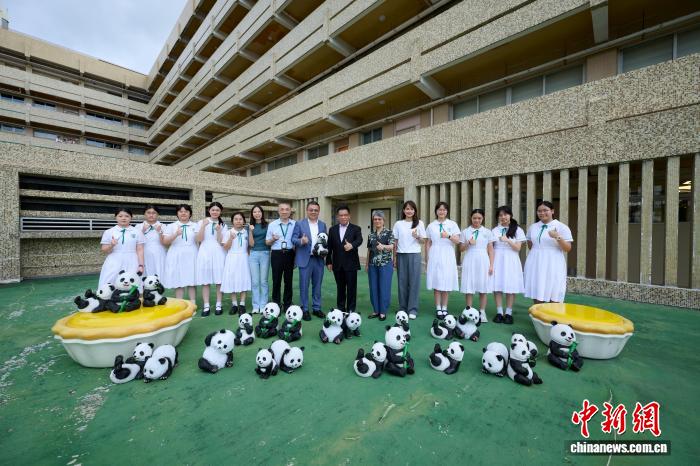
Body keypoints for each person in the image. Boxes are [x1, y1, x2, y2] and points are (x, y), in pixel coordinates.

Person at [524, 200, 574, 303]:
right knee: (537, 286)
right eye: (539, 211)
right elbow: (530, 244)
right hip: (535, 260)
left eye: (545, 210)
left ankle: (553, 312)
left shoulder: (561, 227)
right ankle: (538, 311)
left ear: (552, 211)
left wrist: (557, 237)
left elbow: (567, 248)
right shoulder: (533, 227)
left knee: (554, 286)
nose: (542, 213)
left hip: (553, 261)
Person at [292, 201, 327, 321]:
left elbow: (324, 240)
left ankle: (316, 308)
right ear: (307, 211)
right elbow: (293, 239)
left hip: (318, 259)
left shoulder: (322, 225)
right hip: (305, 259)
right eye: (311, 210)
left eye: (316, 210)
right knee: (304, 285)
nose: (313, 212)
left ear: (319, 211)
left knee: (317, 285)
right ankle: (305, 309)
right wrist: (301, 241)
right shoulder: (299, 224)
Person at [491, 206, 526, 324]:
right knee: (497, 286)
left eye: (505, 214)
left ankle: (509, 313)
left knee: (510, 287)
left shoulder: (518, 230)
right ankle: (499, 312)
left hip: (511, 259)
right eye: (500, 215)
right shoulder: (495, 230)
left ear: (510, 215)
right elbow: (491, 247)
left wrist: (508, 240)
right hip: (498, 259)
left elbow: (517, 248)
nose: (503, 217)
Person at [425, 202, 461, 319]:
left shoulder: (452, 224)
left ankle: (444, 307)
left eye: (444, 210)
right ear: (436, 211)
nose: (442, 212)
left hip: (447, 253)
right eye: (439, 209)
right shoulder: (431, 225)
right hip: (435, 253)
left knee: (446, 280)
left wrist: (448, 236)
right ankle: (438, 308)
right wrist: (427, 257)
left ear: (447, 211)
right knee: (437, 280)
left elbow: (457, 241)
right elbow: (428, 242)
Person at [392, 200, 427, 320]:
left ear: (415, 211)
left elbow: (423, 241)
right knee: (402, 282)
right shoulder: (398, 224)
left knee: (414, 282)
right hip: (401, 255)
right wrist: (394, 257)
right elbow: (395, 241)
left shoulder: (419, 223)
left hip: (414, 255)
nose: (409, 211)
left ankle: (412, 309)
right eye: (407, 209)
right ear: (403, 210)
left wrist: (417, 236)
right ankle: (402, 308)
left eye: (412, 209)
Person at [460, 208, 495, 323]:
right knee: (469, 286)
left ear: (483, 218)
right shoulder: (465, 231)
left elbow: (491, 250)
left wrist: (491, 265)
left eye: (479, 218)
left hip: (483, 260)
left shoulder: (487, 232)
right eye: (474, 218)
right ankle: (468, 310)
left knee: (483, 287)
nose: (477, 220)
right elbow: (461, 249)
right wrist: (468, 243)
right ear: (471, 218)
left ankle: (482, 312)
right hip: (470, 259)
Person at [326, 205, 363, 314]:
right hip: (337, 264)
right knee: (340, 288)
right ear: (337, 217)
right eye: (341, 215)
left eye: (345, 215)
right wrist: (328, 261)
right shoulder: (332, 229)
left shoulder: (356, 228)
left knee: (351, 288)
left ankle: (351, 310)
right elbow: (329, 246)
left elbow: (359, 240)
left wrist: (352, 245)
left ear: (349, 216)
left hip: (351, 264)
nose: (343, 217)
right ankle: (341, 309)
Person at [99, 207, 145, 287]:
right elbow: (103, 249)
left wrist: (141, 265)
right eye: (120, 216)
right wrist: (111, 245)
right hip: (114, 260)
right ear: (116, 217)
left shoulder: (137, 232)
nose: (123, 218)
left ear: (131, 217)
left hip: (132, 260)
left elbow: (140, 250)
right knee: (109, 282)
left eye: (127, 216)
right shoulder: (109, 232)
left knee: (132, 282)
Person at [195, 201, 227, 316]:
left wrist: (219, 231)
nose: (215, 212)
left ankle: (219, 304)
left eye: (217, 210)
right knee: (205, 281)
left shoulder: (223, 225)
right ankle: (206, 305)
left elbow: (221, 242)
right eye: (213, 210)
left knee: (219, 280)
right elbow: (199, 239)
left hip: (218, 253)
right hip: (205, 252)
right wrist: (203, 226)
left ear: (220, 212)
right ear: (209, 210)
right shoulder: (201, 222)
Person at [162, 204, 199, 301]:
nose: (183, 213)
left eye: (186, 211)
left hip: (192, 254)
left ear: (190, 213)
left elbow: (199, 240)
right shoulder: (171, 226)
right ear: (177, 213)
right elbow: (165, 242)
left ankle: (193, 303)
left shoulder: (195, 225)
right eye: (181, 211)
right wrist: (175, 234)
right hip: (176, 254)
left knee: (192, 280)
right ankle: (179, 303)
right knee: (178, 279)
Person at [266, 202, 296, 311]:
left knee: (288, 280)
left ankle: (287, 303)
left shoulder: (295, 224)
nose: (284, 211)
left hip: (290, 253)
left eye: (287, 209)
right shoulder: (272, 224)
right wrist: (273, 239)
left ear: (290, 211)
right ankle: (276, 303)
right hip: (276, 254)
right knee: (276, 280)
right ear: (278, 211)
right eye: (282, 209)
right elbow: (267, 242)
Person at [365, 210, 394, 321]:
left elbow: (392, 246)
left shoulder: (389, 232)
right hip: (372, 264)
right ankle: (376, 310)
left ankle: (383, 311)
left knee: (384, 287)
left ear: (383, 220)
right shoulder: (371, 235)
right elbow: (369, 250)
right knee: (373, 287)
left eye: (379, 219)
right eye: (375, 219)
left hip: (385, 264)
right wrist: (367, 264)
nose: (377, 221)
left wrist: (384, 246)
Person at [221, 212, 251, 315]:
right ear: (232, 221)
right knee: (232, 280)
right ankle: (234, 304)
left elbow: (249, 246)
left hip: (244, 258)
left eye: (240, 219)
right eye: (236, 219)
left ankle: (242, 304)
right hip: (232, 258)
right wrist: (231, 238)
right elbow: (225, 248)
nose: (238, 221)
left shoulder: (246, 232)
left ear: (243, 221)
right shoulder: (229, 232)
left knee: (244, 279)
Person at [247, 204, 270, 314]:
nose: (257, 214)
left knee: (263, 281)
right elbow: (251, 244)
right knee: (255, 282)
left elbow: (269, 240)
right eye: (255, 212)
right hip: (253, 254)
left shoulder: (267, 225)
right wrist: (251, 231)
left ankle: (263, 305)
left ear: (262, 213)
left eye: (259, 211)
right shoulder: (250, 226)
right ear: (252, 214)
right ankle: (256, 305)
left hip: (265, 253)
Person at [139, 205, 166, 278]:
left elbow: (165, 243)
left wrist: (160, 232)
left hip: (159, 253)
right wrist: (142, 231)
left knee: (159, 273)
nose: (151, 215)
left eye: (154, 213)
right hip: (144, 253)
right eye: (148, 213)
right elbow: (136, 243)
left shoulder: (163, 226)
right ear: (144, 214)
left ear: (157, 214)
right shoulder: (138, 226)